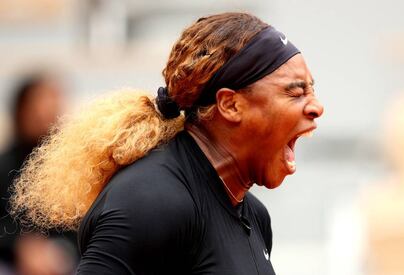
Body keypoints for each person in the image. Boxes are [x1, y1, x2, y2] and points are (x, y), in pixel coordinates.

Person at [10, 12, 323, 274]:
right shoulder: (151, 200)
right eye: (295, 92)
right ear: (230, 104)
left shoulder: (254, 216)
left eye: (311, 90)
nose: (316, 107)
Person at [0, 73, 78, 274]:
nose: (49, 110)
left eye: (55, 100)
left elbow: (81, 226)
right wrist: (19, 246)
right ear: (21, 109)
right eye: (41, 101)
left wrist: (57, 251)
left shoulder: (73, 168)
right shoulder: (5, 164)